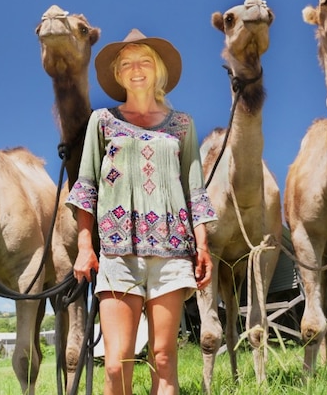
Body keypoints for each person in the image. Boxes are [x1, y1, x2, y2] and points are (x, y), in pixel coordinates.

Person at [67, 28, 216, 395]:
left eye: (145, 61)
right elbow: (86, 186)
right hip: (118, 254)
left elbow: (194, 188)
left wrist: (203, 245)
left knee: (164, 358)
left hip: (172, 253)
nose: (137, 69)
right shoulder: (102, 121)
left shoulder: (183, 125)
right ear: (118, 74)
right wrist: (86, 246)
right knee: (117, 364)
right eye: (127, 63)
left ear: (158, 70)